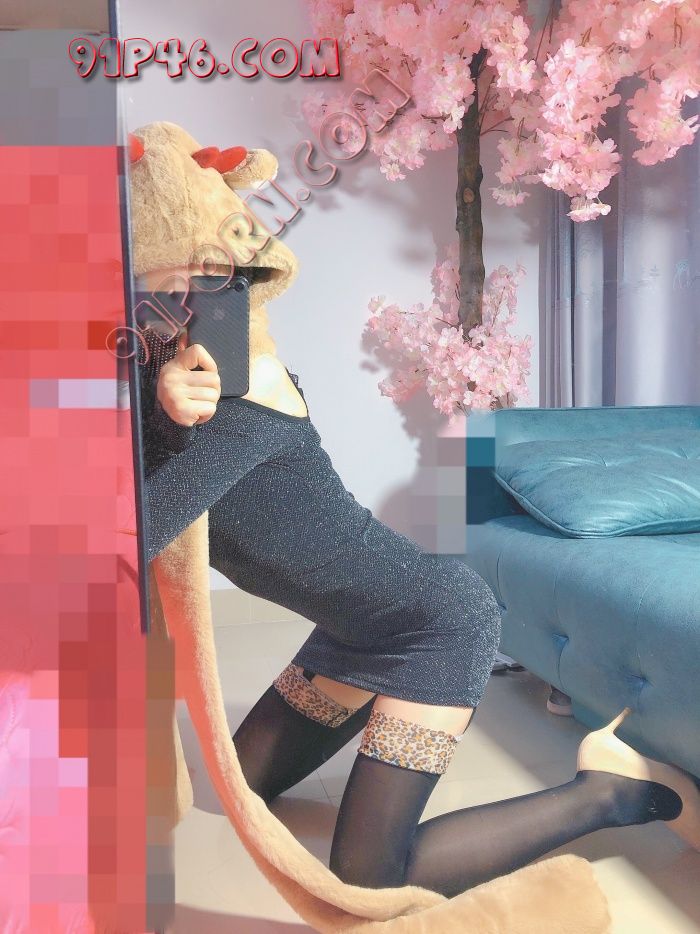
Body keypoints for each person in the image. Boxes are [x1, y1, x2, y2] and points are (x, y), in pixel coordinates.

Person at [136, 258, 697, 898]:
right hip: (356, 627)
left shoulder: (249, 384)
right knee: (244, 783)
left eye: (202, 283)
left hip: (435, 624)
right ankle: (394, 718)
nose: (172, 299)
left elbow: (138, 533)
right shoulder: (160, 389)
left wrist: (169, 394)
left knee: (369, 876)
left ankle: (610, 792)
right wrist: (157, 395)